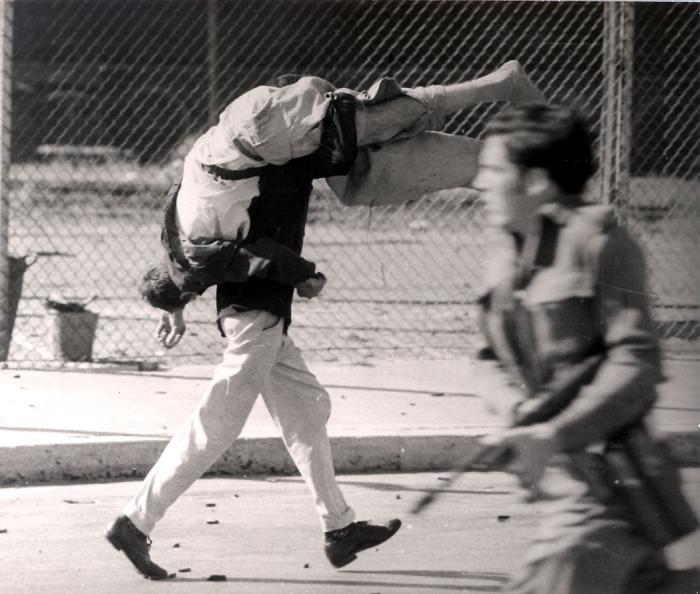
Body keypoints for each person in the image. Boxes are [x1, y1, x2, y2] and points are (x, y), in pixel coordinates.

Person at [140, 61, 544, 347]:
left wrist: (306, 277)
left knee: (380, 122)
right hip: (254, 132)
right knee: (359, 184)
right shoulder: (176, 232)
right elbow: (175, 270)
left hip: (261, 134)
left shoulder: (196, 259)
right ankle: (493, 167)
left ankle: (502, 83)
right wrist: (174, 304)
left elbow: (259, 257)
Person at [471, 103, 698, 593]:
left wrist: (554, 433)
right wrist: (519, 414)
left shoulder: (601, 244)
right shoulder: (507, 254)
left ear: (535, 182)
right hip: (563, 490)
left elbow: (636, 361)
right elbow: (487, 359)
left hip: (615, 493)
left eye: (492, 170)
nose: (480, 183)